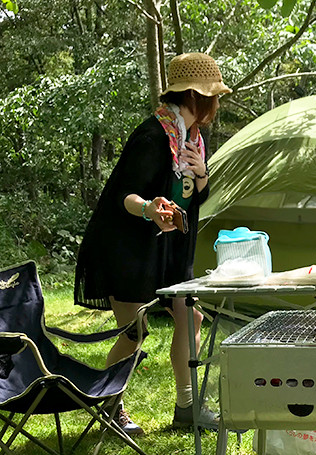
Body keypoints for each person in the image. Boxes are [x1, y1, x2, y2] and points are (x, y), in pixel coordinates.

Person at [74, 53, 231, 434]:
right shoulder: (153, 136)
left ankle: (187, 408)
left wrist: (202, 176)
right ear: (195, 96)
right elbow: (122, 196)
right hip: (127, 248)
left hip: (170, 249)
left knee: (189, 315)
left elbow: (194, 200)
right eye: (212, 95)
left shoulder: (194, 138)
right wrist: (149, 208)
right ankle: (110, 407)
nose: (216, 103)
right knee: (134, 333)